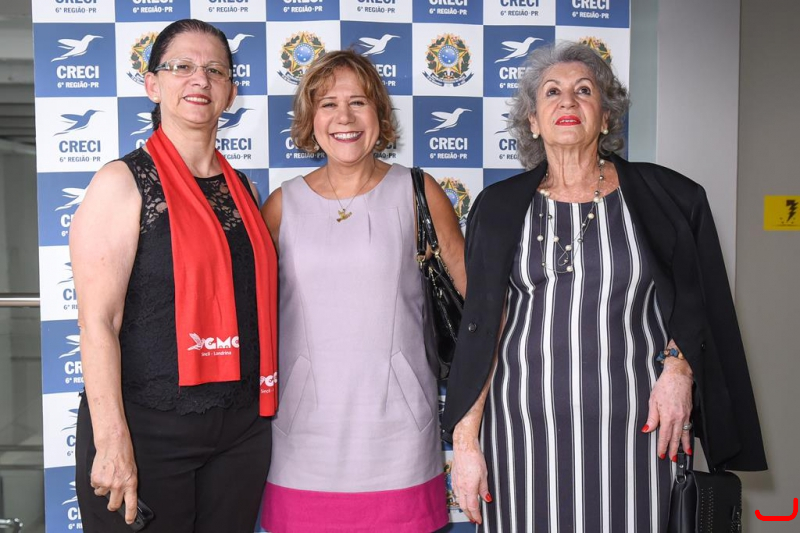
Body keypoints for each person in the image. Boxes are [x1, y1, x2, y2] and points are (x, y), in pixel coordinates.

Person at [442, 41, 767, 531]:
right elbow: (483, 328)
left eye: (584, 91)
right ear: (533, 121)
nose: (567, 102)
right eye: (552, 92)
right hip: (520, 432)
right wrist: (466, 442)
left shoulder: (668, 197)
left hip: (640, 427)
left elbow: (700, 301)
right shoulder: (498, 207)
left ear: (607, 116)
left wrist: (680, 370)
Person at [70, 19, 278, 533]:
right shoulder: (122, 182)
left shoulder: (244, 191)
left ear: (231, 92)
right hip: (146, 430)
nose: (199, 79)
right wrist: (111, 440)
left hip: (240, 434)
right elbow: (98, 323)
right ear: (152, 84)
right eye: (182, 66)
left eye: (215, 70)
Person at [259, 49, 465, 532]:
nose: (344, 118)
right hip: (303, 437)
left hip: (400, 436)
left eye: (358, 102)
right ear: (310, 120)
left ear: (379, 114)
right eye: (328, 104)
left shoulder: (419, 192)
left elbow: (473, 304)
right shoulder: (281, 205)